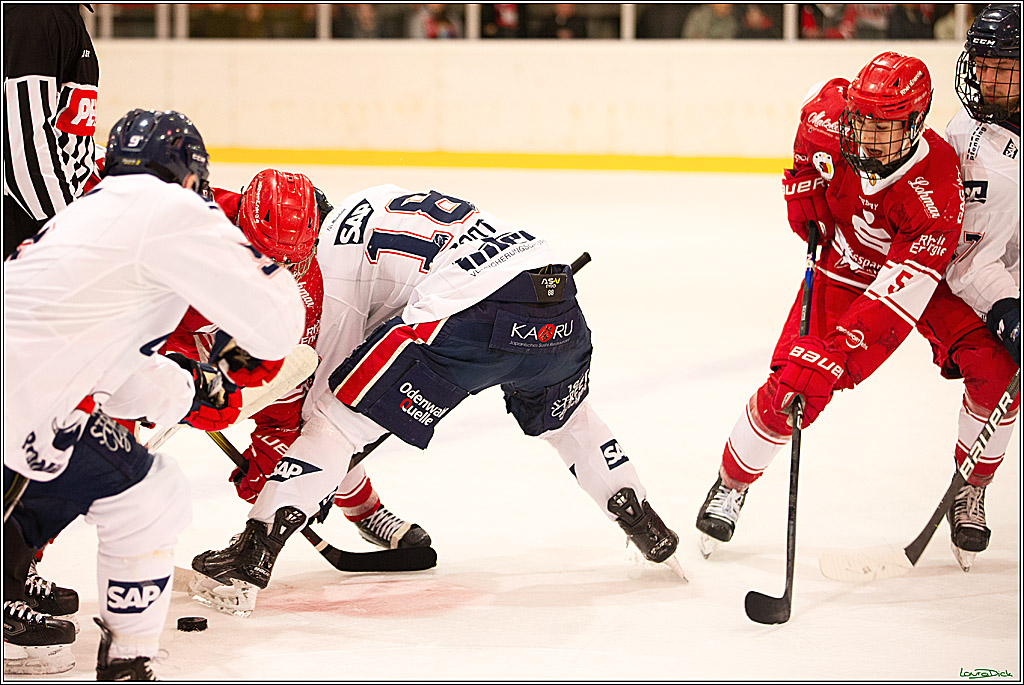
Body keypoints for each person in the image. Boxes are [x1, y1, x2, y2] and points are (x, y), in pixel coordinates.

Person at [187, 184, 681, 615]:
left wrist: (284, 467)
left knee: (334, 421)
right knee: (570, 423)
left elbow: (323, 398)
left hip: (472, 313)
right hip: (552, 289)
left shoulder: (328, 270)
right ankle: (647, 528)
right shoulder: (371, 201)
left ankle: (253, 554)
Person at [3, 109, 305, 678]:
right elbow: (280, 322)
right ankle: (127, 662)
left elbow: (113, 378)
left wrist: (186, 385)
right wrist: (221, 372)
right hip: (21, 398)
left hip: (23, 387)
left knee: (123, 479)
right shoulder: (172, 209)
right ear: (192, 173)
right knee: (149, 496)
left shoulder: (86, 211)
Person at [694, 51, 1018, 570]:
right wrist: (802, 187)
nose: (866, 134)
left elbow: (895, 301)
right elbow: (808, 130)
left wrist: (840, 355)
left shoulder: (935, 193)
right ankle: (732, 482)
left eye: (883, 124)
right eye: (861, 118)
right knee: (792, 386)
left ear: (915, 122)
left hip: (917, 282)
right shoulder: (834, 119)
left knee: (998, 372)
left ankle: (971, 488)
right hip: (842, 267)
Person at [164, 168, 430, 549]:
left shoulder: (304, 291)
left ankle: (363, 507)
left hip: (215, 340)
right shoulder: (184, 221)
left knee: (317, 421)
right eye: (265, 257)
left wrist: (275, 455)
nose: (278, 273)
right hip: (141, 323)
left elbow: (283, 384)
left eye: (292, 261)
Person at [938, 3, 1020, 569]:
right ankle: (973, 488)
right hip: (981, 286)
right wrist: (1008, 306)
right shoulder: (967, 143)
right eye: (984, 65)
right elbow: (964, 257)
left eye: (1006, 68)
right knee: (1001, 377)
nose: (991, 80)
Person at [3, 4, 99, 258]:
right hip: (27, 226)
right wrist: (73, 232)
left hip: (41, 220)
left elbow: (60, 129)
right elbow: (24, 150)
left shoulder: (62, 15)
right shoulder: (38, 14)